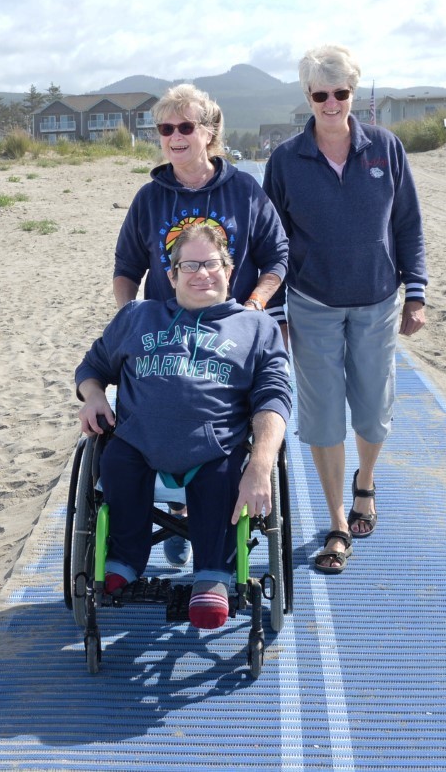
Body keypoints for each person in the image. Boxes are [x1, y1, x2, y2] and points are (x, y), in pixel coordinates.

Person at [262, 44, 428, 576]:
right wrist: (277, 312)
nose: (331, 103)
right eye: (320, 94)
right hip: (311, 304)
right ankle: (337, 521)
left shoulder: (386, 148)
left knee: (374, 410)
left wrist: (417, 292)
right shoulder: (287, 160)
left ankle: (366, 483)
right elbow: (274, 239)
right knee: (323, 414)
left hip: (379, 301)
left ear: (353, 94)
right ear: (307, 96)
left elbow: (407, 224)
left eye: (341, 93)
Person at [76, 220, 291, 629]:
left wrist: (262, 464)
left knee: (225, 473)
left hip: (214, 448)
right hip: (138, 442)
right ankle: (124, 559)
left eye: (211, 264)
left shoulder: (256, 328)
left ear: (229, 271)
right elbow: (92, 366)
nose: (201, 274)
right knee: (116, 462)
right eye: (189, 267)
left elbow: (274, 398)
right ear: (171, 276)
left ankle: (212, 576)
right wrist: (94, 396)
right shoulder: (138, 316)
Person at [112, 83, 289, 566]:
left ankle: (207, 522)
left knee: (223, 416)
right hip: (167, 333)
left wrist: (254, 304)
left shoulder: (244, 192)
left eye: (186, 126)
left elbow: (276, 257)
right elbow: (127, 268)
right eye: (166, 128)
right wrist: (130, 317)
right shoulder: (149, 198)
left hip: (230, 334)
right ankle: (174, 510)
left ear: (209, 134)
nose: (175, 136)